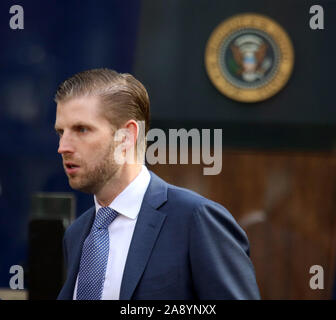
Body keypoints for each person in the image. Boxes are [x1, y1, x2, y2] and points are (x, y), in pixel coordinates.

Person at [54, 68, 260, 300]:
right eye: (61, 132)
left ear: (128, 136)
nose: (63, 146)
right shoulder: (77, 233)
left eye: (82, 129)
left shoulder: (195, 219)